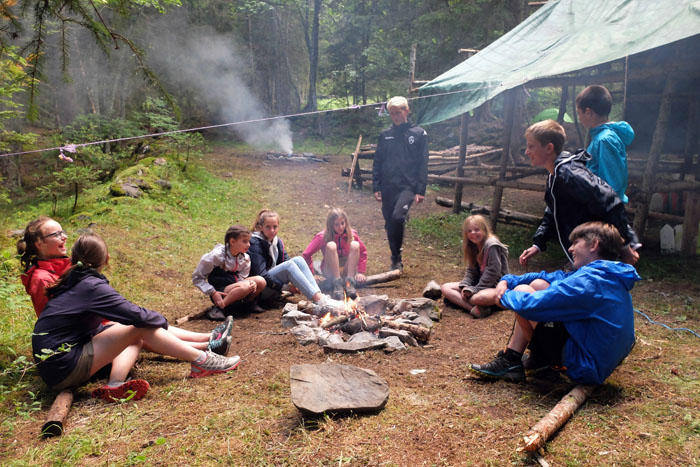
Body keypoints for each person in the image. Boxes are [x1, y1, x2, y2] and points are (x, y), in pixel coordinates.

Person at [33, 232, 242, 403]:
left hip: (55, 366)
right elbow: (136, 316)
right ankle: (203, 361)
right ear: (106, 260)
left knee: (131, 328)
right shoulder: (90, 286)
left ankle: (115, 385)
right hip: (64, 367)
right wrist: (160, 322)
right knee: (140, 326)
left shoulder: (75, 279)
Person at [18, 217, 232, 355]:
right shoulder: (41, 277)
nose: (64, 236)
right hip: (80, 336)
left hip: (93, 323)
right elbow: (54, 316)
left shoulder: (66, 266)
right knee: (136, 324)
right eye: (55, 234)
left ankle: (208, 338)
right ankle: (206, 346)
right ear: (39, 244)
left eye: (62, 231)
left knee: (136, 319)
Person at [469, 222, 641, 385]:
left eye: (575, 243)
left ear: (594, 245)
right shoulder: (603, 274)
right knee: (537, 284)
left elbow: (532, 306)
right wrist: (506, 281)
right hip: (597, 358)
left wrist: (503, 296)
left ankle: (512, 359)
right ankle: (528, 359)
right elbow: (545, 277)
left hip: (585, 366)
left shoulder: (589, 284)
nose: (570, 248)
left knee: (523, 293)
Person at [518, 120, 640, 268]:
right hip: (583, 252)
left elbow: (610, 201)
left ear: (549, 148)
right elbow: (553, 211)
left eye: (531, 146)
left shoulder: (569, 174)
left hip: (595, 252)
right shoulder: (556, 175)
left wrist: (625, 244)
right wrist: (538, 244)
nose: (527, 151)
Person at [372, 96, 429, 271]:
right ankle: (395, 255)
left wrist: (420, 190)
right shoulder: (385, 135)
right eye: (392, 113)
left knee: (397, 218)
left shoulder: (418, 134)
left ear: (406, 111)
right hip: (388, 186)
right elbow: (378, 161)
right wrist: (376, 186)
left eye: (398, 112)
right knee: (390, 222)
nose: (395, 116)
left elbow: (423, 163)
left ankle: (396, 257)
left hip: (408, 186)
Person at [248, 209, 343, 308]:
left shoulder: (277, 242)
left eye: (275, 227)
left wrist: (300, 281)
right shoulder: (255, 243)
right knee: (289, 266)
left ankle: (319, 297)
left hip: (273, 286)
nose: (272, 230)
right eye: (268, 227)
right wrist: (286, 287)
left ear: (278, 227)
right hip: (260, 291)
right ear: (261, 227)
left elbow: (287, 262)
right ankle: (321, 300)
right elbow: (262, 274)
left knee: (299, 260)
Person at [440, 215, 509, 318]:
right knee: (445, 287)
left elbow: (493, 271)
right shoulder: (472, 245)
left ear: (484, 230)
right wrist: (465, 286)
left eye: (477, 230)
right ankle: (474, 309)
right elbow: (471, 270)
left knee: (477, 298)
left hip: (496, 285)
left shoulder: (491, 244)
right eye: (469, 231)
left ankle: (469, 302)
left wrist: (475, 289)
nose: (473, 233)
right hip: (479, 285)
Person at [193, 225, 267, 318]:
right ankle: (218, 307)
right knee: (245, 286)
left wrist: (250, 283)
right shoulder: (217, 256)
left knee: (260, 281)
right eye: (244, 241)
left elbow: (242, 277)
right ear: (232, 241)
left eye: (248, 241)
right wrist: (213, 292)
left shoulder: (245, 257)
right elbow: (197, 278)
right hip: (220, 291)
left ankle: (247, 305)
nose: (248, 244)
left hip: (236, 286)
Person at [576, 85, 634, 203]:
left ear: (588, 112)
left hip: (605, 211)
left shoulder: (604, 140)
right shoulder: (602, 136)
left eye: (579, 113)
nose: (579, 118)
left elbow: (611, 186)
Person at [302, 207, 368, 300]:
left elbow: (363, 251)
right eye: (336, 224)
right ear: (331, 224)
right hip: (330, 272)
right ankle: (337, 283)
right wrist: (312, 275)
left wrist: (360, 272)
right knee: (331, 245)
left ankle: (349, 282)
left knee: (355, 244)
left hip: (347, 270)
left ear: (346, 222)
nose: (340, 227)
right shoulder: (322, 236)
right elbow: (306, 254)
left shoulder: (352, 234)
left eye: (342, 223)